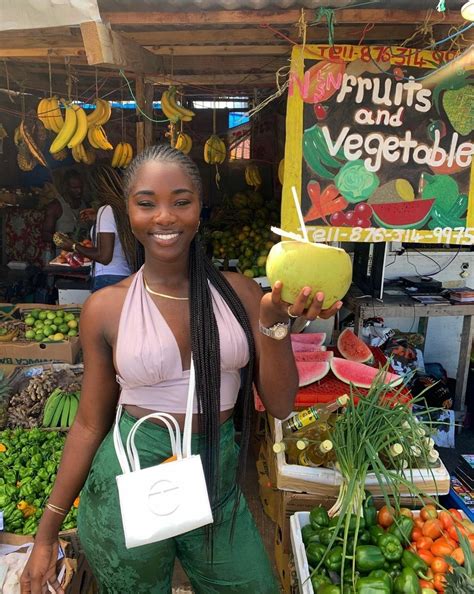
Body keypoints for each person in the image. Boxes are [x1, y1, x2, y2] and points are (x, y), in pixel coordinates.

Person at [21, 145, 342, 594]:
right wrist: (45, 534)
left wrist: (275, 322)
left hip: (216, 480)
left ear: (199, 207)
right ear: (129, 211)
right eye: (146, 202)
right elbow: (90, 424)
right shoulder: (105, 308)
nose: (164, 217)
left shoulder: (243, 294)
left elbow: (282, 403)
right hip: (129, 480)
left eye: (181, 201)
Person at [55, 167, 137, 292]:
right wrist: (97, 217)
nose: (83, 191)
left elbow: (104, 257)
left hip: (108, 278)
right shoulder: (120, 208)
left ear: (95, 189)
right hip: (123, 275)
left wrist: (73, 246)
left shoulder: (106, 211)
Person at [41, 170, 89, 248]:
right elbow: (45, 235)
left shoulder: (85, 204)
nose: (79, 191)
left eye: (81, 187)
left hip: (85, 251)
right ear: (66, 187)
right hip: (63, 253)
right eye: (74, 188)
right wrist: (63, 240)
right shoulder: (55, 207)